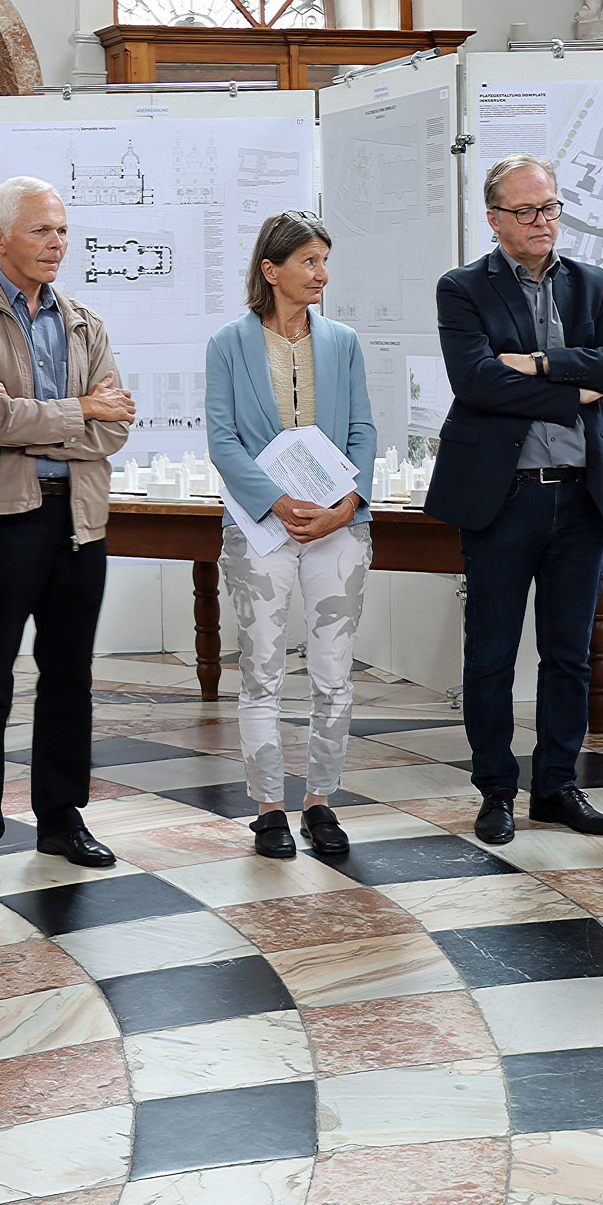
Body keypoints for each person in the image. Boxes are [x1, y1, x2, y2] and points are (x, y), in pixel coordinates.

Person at [428, 156, 603, 845]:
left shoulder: (592, 282)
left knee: (569, 654)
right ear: (493, 218)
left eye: (550, 207)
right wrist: (581, 385)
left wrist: (545, 364)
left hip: (580, 500)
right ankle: (496, 789)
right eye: (526, 211)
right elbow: (478, 382)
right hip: (503, 499)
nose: (542, 221)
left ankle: (556, 786)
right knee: (490, 654)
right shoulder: (462, 288)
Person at [0, 178, 133, 890]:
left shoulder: (85, 318)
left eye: (61, 230)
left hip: (80, 518)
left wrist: (54, 420)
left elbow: (113, 429)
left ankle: (61, 817)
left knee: (69, 675)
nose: (57, 243)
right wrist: (79, 407)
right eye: (42, 230)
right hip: (1, 519)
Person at [206, 212, 375, 859]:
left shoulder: (344, 340)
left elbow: (363, 429)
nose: (321, 274)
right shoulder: (228, 342)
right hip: (259, 527)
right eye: (308, 261)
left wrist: (346, 505)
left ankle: (321, 802)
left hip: (339, 526)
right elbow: (222, 439)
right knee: (262, 671)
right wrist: (277, 501)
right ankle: (269, 807)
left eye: (324, 260)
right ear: (270, 269)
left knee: (334, 673)